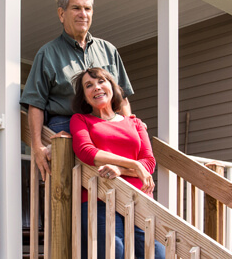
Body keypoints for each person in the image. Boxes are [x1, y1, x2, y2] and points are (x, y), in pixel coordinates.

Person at [20, 0, 134, 181]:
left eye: (87, 8)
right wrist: (38, 147)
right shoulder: (47, 53)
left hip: (105, 126)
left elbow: (121, 98)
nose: (83, 14)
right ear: (61, 14)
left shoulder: (108, 50)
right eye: (76, 8)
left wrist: (130, 129)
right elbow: (35, 103)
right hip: (66, 127)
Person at [69, 67, 165, 259]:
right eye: (89, 85)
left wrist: (121, 170)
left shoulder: (134, 123)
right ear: (84, 97)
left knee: (156, 254)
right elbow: (87, 151)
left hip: (139, 199)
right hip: (101, 198)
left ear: (112, 87)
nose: (96, 87)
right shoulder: (80, 120)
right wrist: (134, 165)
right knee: (114, 252)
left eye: (101, 81)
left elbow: (149, 162)